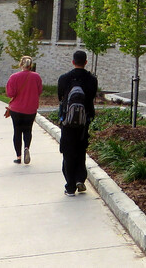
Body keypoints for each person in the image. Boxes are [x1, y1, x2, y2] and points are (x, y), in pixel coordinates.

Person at [58, 50, 97, 197]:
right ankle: (80, 178)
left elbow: (60, 97)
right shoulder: (92, 79)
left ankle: (70, 187)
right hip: (84, 120)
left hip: (67, 121)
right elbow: (91, 97)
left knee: (68, 152)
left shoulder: (64, 78)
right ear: (86, 62)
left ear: (73, 62)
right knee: (81, 150)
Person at [5, 56, 43, 164]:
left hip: (16, 109)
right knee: (28, 130)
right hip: (31, 109)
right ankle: (26, 147)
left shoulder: (14, 77)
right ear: (31, 65)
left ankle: (18, 157)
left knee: (17, 131)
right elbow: (39, 91)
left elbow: (10, 94)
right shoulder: (36, 77)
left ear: (21, 64)